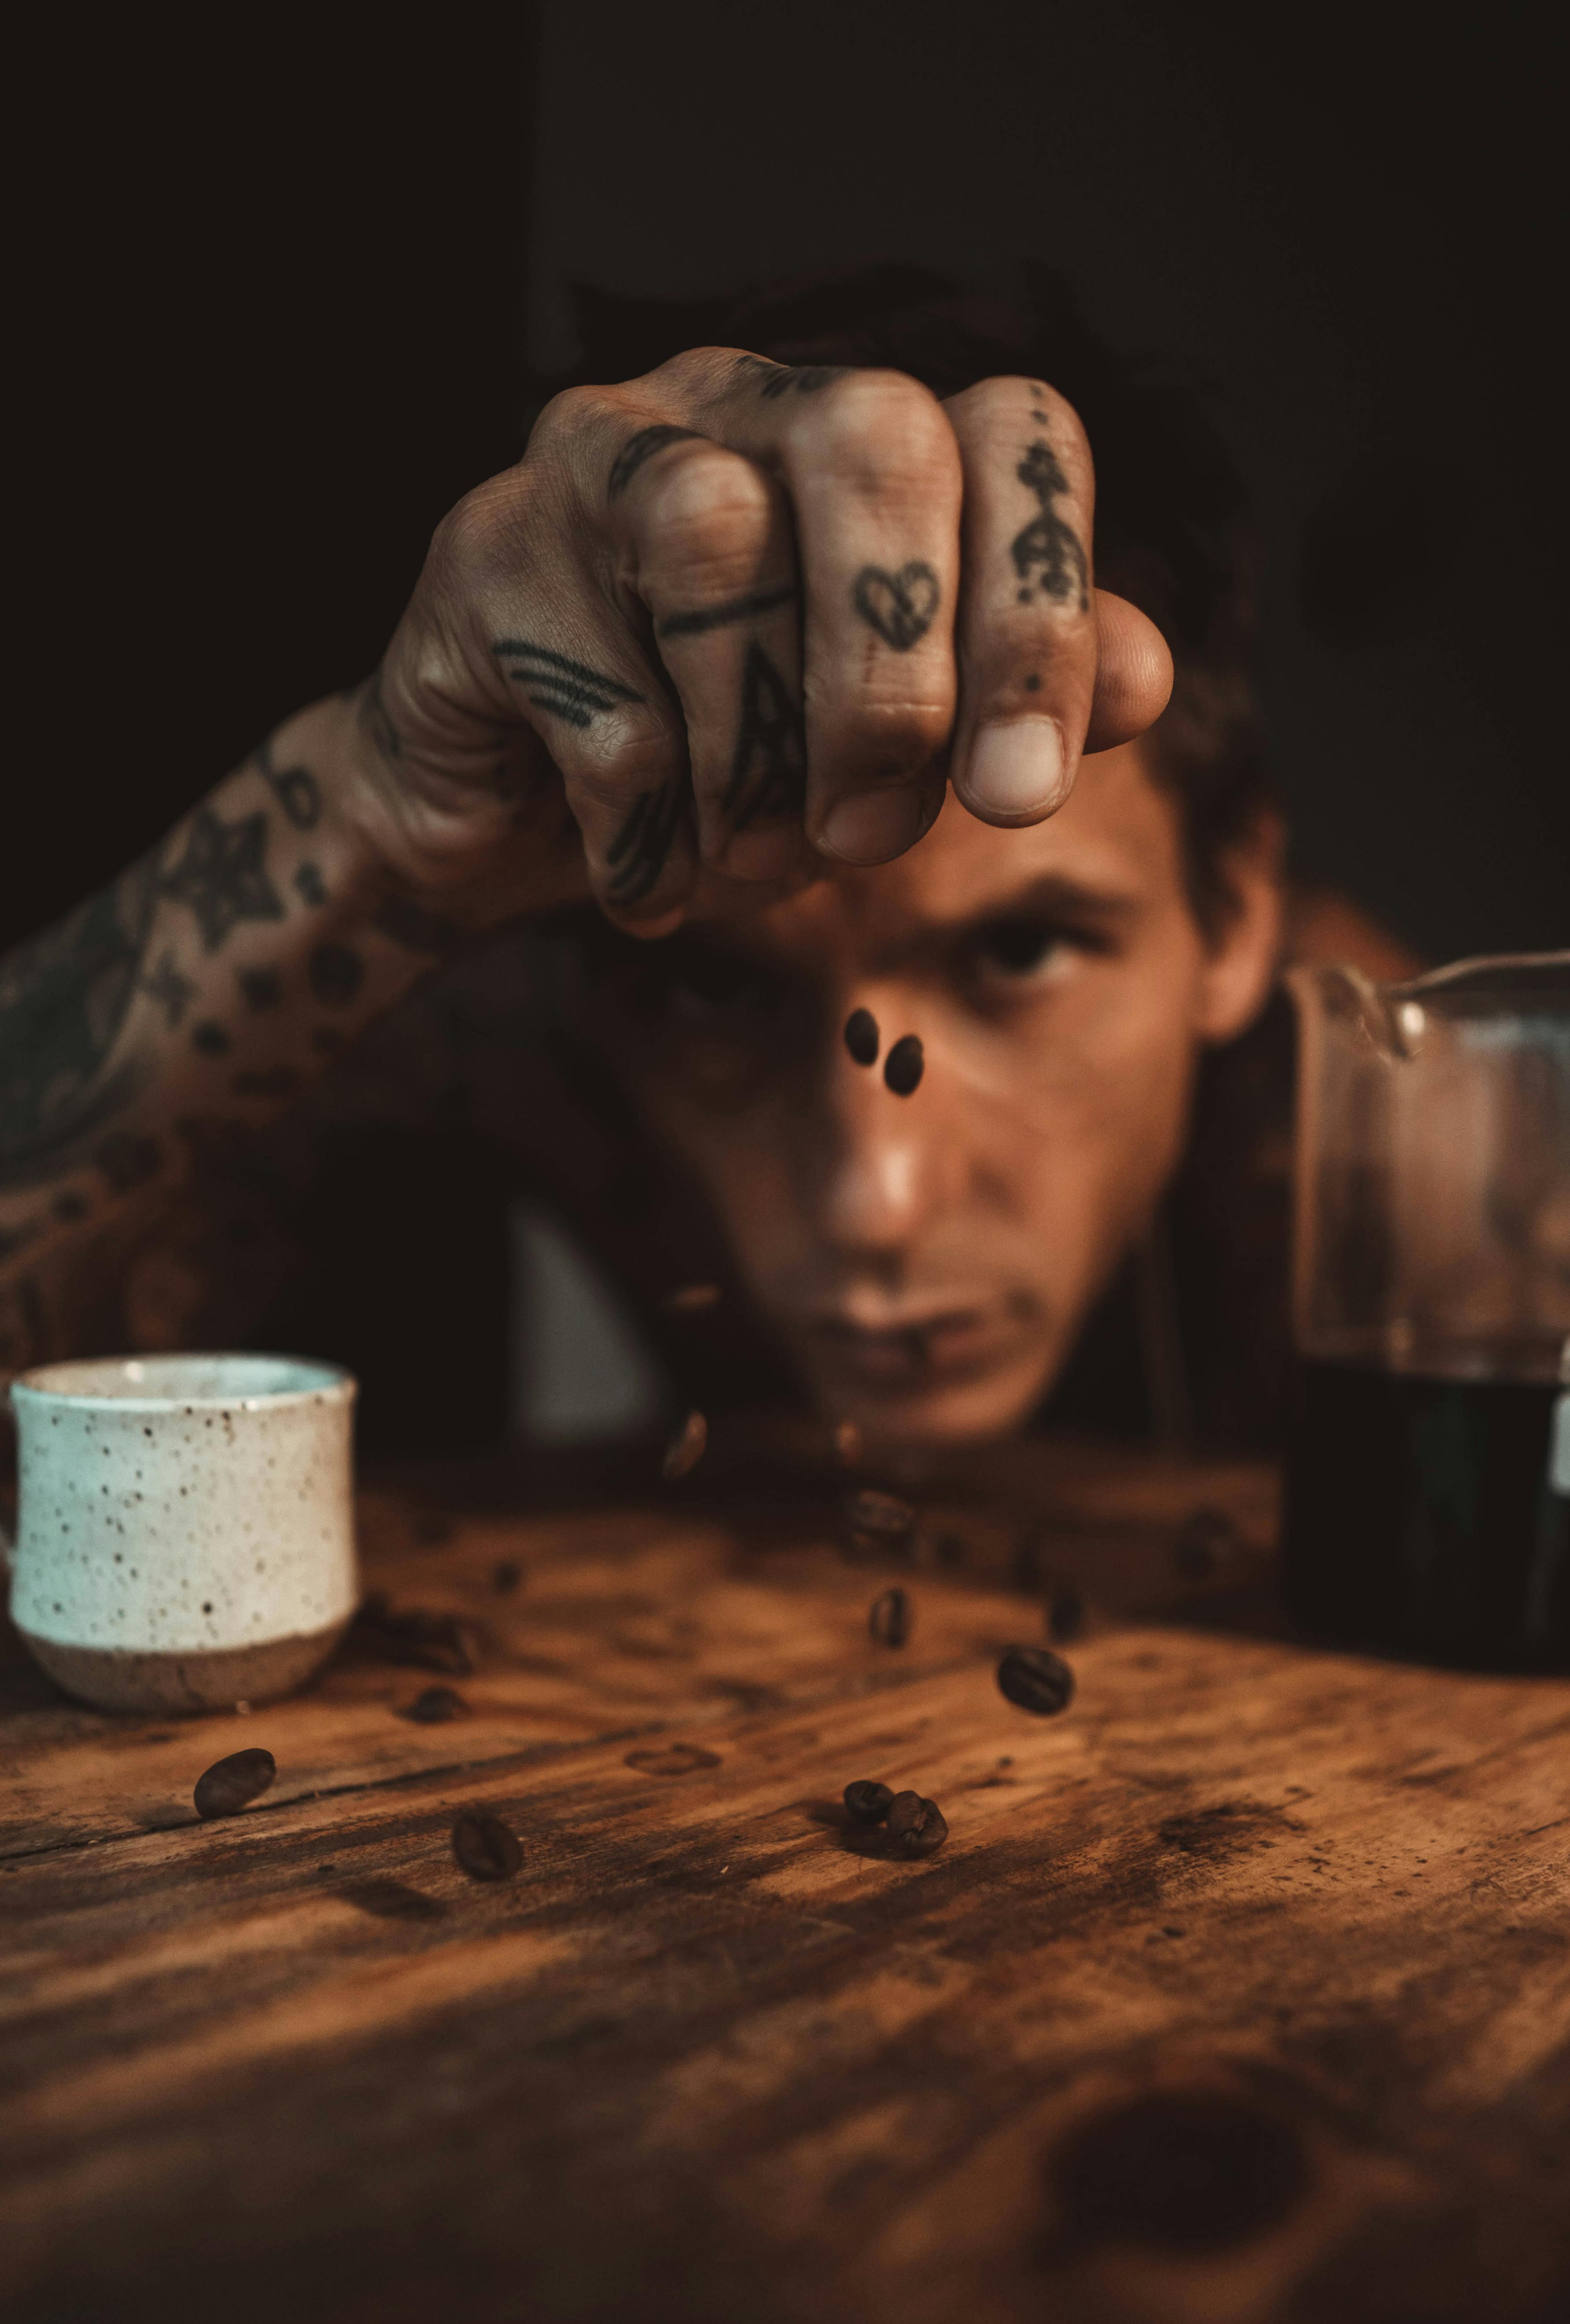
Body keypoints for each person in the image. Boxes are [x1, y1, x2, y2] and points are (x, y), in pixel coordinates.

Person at [0, 266, 1412, 1464]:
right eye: (724, 998)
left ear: (1233, 914)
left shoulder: (1372, 1127)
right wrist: (366, 808)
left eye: (1020, 955)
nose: (878, 1201)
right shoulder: (527, 1010)